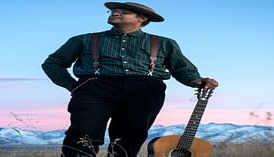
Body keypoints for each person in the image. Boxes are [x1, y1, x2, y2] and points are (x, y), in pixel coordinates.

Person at [42, 2, 218, 157]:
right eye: (113, 11)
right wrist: (74, 86)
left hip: (145, 90)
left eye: (123, 12)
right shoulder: (84, 40)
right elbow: (53, 63)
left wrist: (196, 80)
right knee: (82, 137)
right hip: (95, 88)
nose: (115, 13)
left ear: (142, 18)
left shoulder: (164, 43)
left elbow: (181, 68)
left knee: (129, 140)